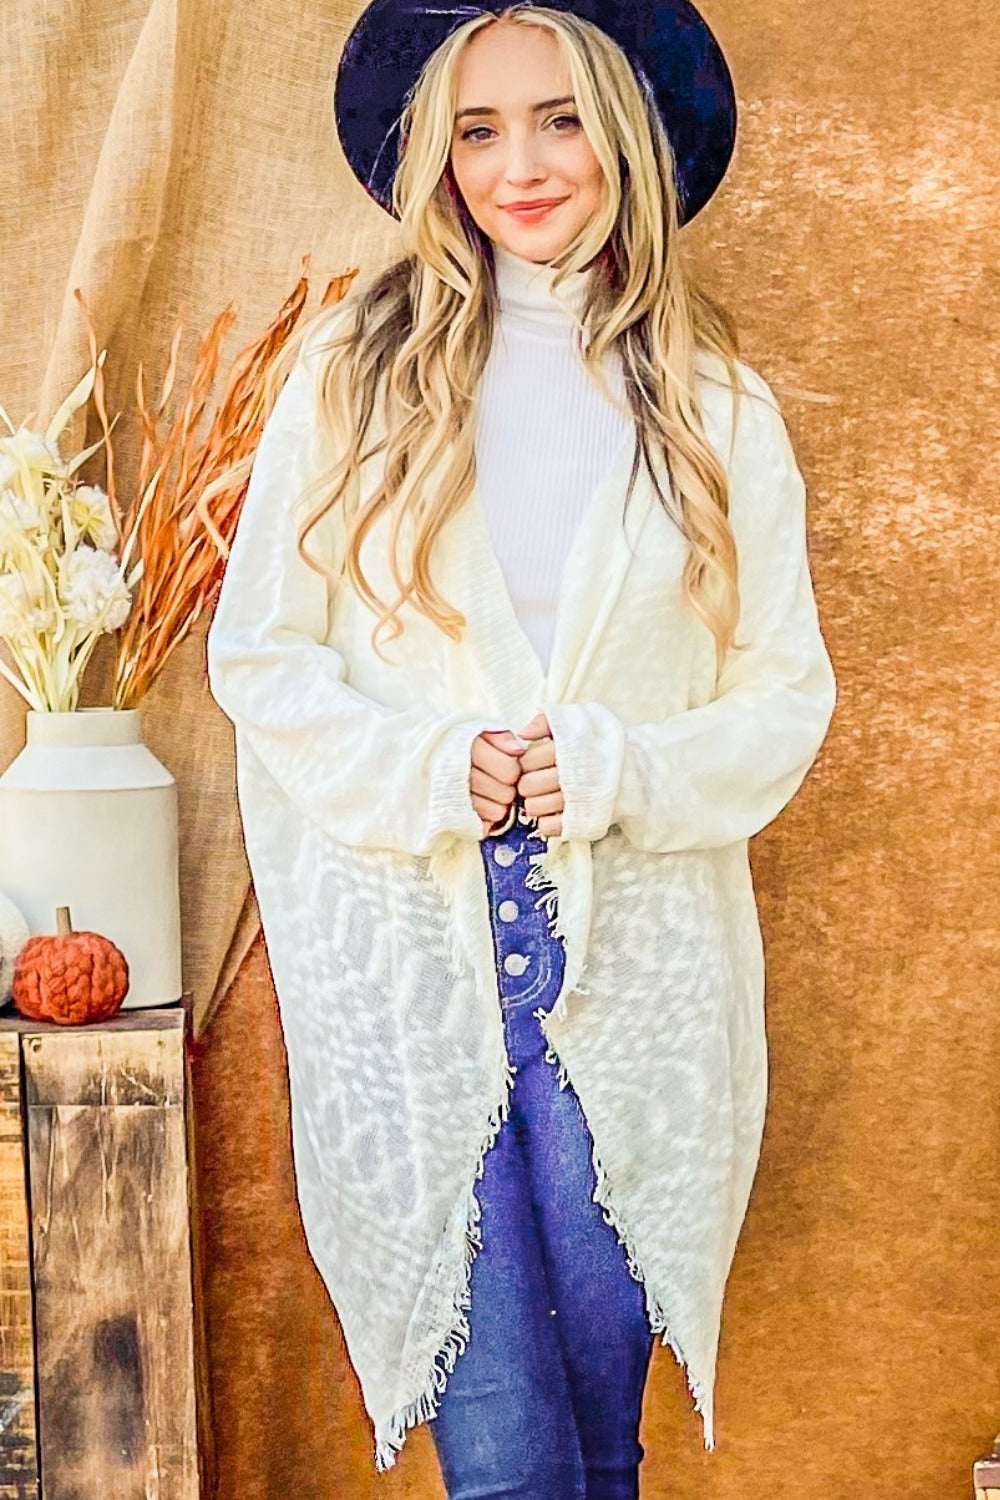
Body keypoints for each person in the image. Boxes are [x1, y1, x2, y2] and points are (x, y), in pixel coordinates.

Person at [206, 1, 838, 1494]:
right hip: (419, 973)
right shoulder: (355, 379)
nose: (522, 167)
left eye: (559, 120)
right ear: (437, 156)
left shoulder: (715, 404)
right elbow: (261, 657)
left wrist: (622, 770)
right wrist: (431, 769)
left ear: (624, 133)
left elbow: (783, 694)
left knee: (601, 1455)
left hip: (630, 980)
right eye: (479, 131)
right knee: (502, 1464)